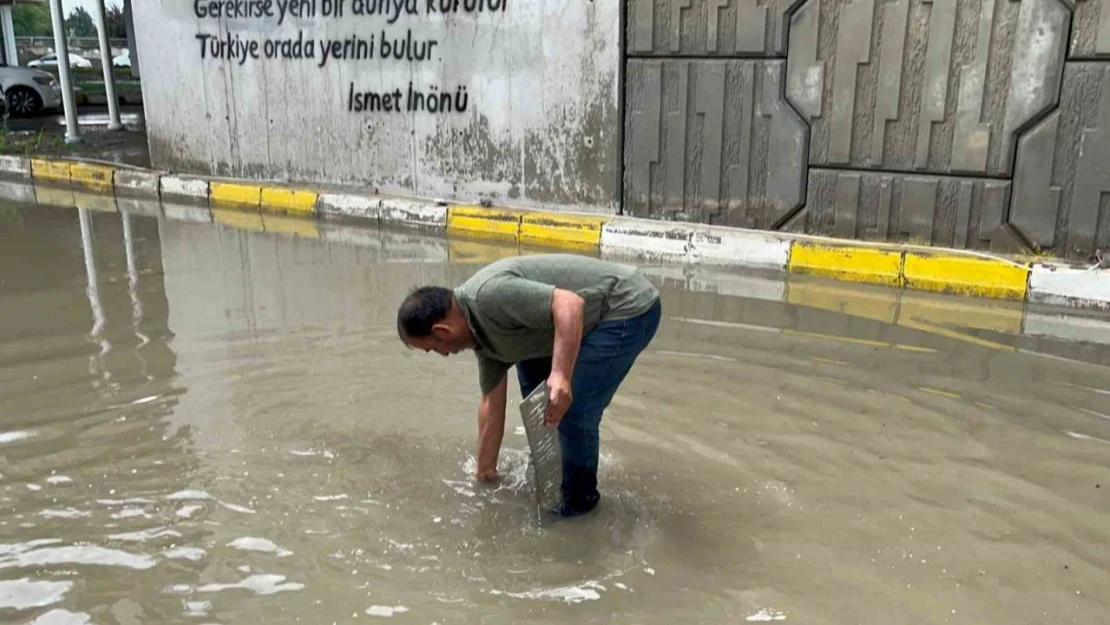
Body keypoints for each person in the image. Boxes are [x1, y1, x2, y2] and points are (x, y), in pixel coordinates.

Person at [396, 254, 662, 517]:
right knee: (539, 404)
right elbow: (491, 406)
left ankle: (580, 508)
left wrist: (560, 374)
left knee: (571, 409)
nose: (442, 355)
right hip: (574, 320)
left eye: (433, 349)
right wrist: (483, 477)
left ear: (442, 331)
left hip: (624, 307)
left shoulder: (489, 297)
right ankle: (556, 476)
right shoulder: (484, 341)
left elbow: (570, 305)